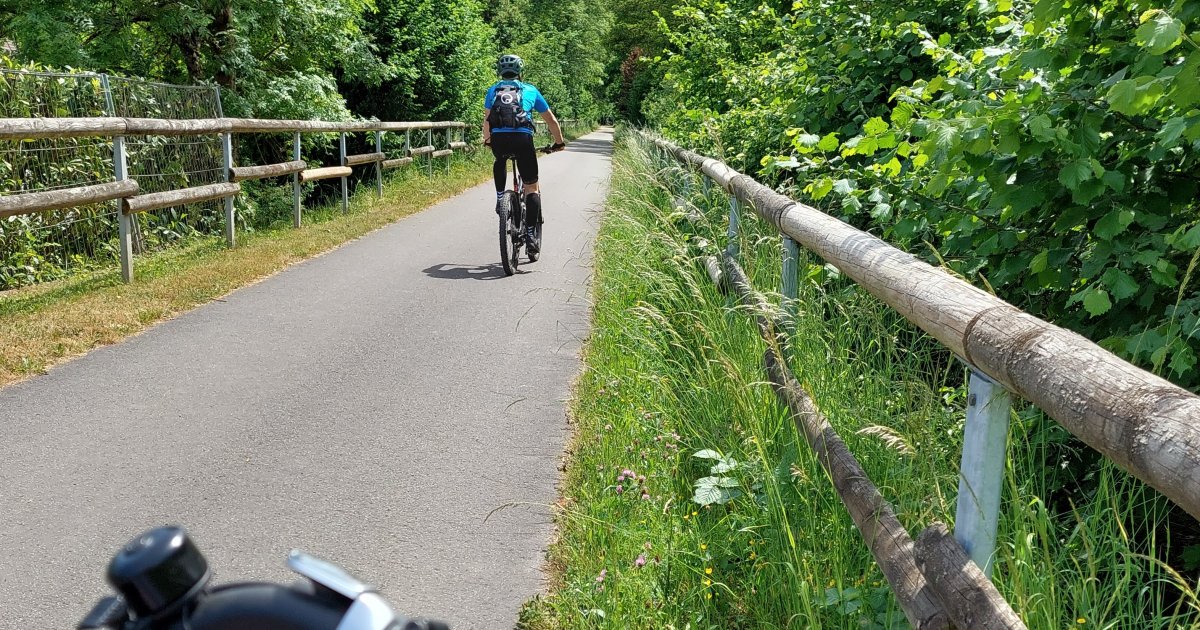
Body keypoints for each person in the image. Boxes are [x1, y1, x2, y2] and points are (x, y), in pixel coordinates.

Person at [482, 53, 565, 254]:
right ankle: (529, 234)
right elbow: (551, 120)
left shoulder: (493, 90)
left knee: (500, 158)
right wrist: (559, 142)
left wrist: (488, 141)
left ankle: (500, 197)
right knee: (531, 187)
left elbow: (487, 121)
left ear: (499, 71)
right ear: (520, 71)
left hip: (500, 139)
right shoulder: (530, 90)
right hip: (522, 138)